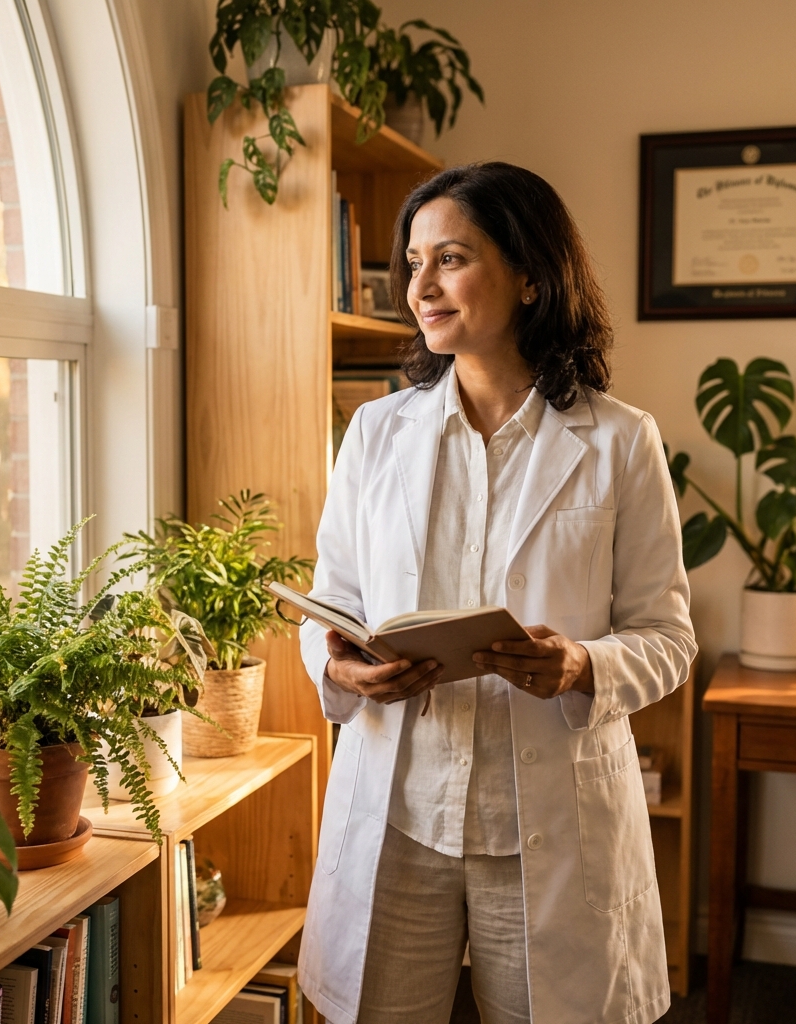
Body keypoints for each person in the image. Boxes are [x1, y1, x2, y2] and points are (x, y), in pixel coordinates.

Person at [296, 162, 696, 1024]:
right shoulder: (375, 432)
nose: (421, 286)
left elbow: (667, 635)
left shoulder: (621, 441)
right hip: (400, 814)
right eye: (412, 263)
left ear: (528, 276)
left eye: (451, 258)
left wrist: (581, 663)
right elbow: (335, 601)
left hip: (544, 825)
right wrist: (343, 672)